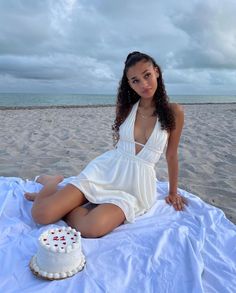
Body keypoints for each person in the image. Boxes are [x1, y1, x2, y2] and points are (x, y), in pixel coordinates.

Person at [25, 51, 187, 238]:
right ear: (129, 84)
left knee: (91, 228)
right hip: (106, 170)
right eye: (135, 80)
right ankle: (52, 182)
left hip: (135, 186)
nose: (144, 84)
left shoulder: (174, 111)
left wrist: (173, 192)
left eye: (147, 75)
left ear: (156, 72)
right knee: (41, 215)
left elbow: (172, 154)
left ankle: (66, 202)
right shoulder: (126, 108)